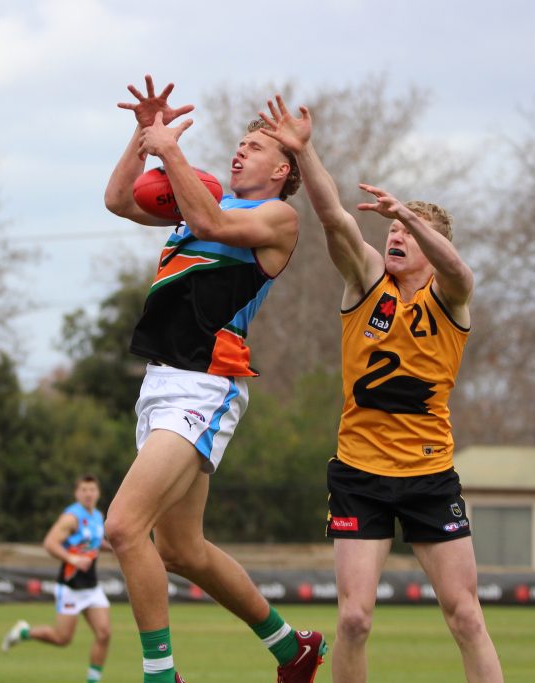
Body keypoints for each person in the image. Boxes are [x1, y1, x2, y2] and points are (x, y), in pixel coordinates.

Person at [258, 96, 505, 683]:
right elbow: (336, 218)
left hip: (428, 473)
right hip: (360, 473)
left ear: (428, 245)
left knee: (465, 615)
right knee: (354, 621)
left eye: (406, 233)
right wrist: (303, 150)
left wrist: (416, 217)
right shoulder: (369, 284)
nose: (395, 237)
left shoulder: (449, 299)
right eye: (391, 229)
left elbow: (461, 274)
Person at [101, 74, 326, 683]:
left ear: (282, 171)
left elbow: (214, 228)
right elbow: (119, 201)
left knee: (122, 527)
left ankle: (160, 675)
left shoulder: (275, 219)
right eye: (242, 144)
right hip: (160, 384)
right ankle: (292, 649)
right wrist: (143, 139)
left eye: (256, 148)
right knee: (180, 549)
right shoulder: (198, 203)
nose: (239, 151)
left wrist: (170, 152)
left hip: (204, 384)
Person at [1, 474, 112, 683]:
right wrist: (73, 558)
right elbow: (50, 543)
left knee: (104, 633)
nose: (89, 494)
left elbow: (95, 542)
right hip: (70, 586)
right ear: (76, 493)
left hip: (91, 586)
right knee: (62, 639)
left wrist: (114, 547)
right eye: (84, 490)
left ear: (98, 493)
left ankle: (93, 681)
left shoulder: (97, 516)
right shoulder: (71, 517)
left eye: (92, 490)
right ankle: (25, 632)